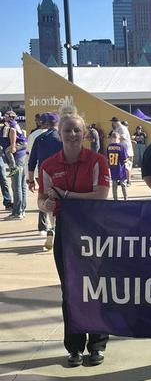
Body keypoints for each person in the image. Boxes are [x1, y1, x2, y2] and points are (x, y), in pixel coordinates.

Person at [38, 106, 110, 367]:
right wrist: (46, 204)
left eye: (77, 130)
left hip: (94, 232)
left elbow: (100, 196)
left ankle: (98, 345)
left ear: (84, 133)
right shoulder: (48, 165)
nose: (72, 134)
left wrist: (66, 197)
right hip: (66, 234)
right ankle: (74, 347)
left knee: (95, 286)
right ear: (59, 133)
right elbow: (44, 198)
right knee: (70, 290)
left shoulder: (97, 161)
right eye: (67, 130)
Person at [28, 113, 62, 249]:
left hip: (44, 176)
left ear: (45, 123)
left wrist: (31, 181)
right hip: (62, 175)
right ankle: (58, 230)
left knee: (48, 203)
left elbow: (31, 163)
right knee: (62, 203)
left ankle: (52, 227)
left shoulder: (39, 138)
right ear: (58, 123)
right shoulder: (62, 138)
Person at [0, 111, 27, 219]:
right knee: (21, 184)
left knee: (16, 185)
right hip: (21, 155)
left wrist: (13, 145)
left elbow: (13, 132)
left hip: (17, 156)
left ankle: (17, 212)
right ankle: (22, 210)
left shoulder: (10, 124)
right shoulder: (13, 123)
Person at [110, 117, 134, 186]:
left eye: (113, 122)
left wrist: (116, 138)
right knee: (121, 166)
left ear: (115, 122)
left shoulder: (122, 128)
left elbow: (123, 137)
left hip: (126, 151)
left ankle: (129, 181)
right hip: (120, 150)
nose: (112, 124)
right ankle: (122, 179)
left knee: (127, 166)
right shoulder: (117, 129)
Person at [107, 131, 130, 200]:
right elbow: (125, 158)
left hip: (112, 167)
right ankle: (125, 198)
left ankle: (115, 198)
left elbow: (108, 157)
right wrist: (128, 161)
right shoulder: (121, 146)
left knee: (114, 184)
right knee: (123, 183)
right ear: (118, 138)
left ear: (111, 138)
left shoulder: (109, 147)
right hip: (120, 167)